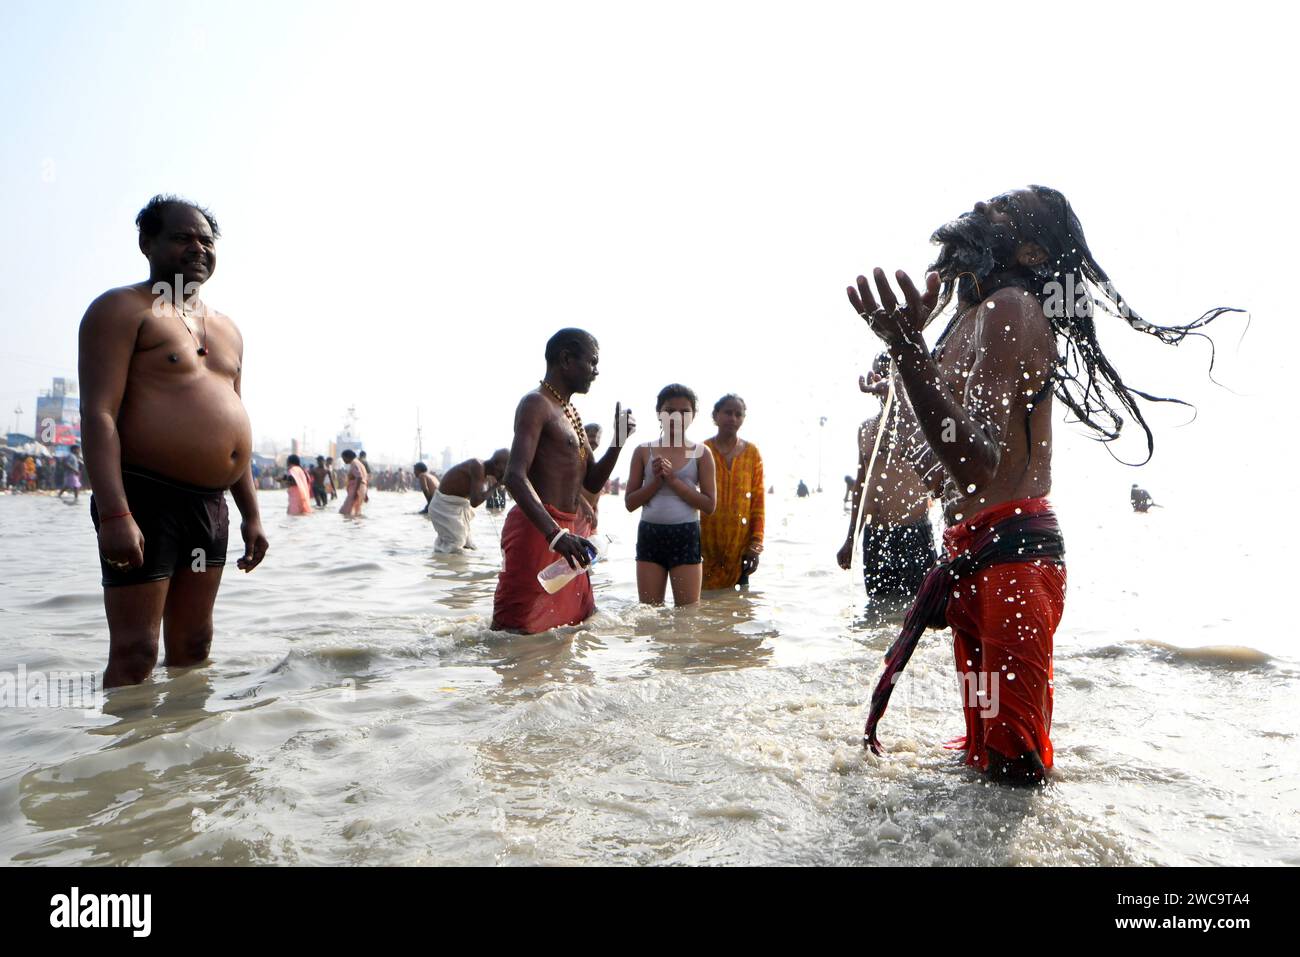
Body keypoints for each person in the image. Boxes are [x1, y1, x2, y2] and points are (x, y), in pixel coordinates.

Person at [848, 185, 1240, 783]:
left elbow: (977, 464)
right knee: (981, 758)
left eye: (1003, 211)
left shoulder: (1013, 306)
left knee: (1013, 769)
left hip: (1012, 565)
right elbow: (932, 470)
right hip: (974, 558)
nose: (982, 209)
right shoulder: (967, 321)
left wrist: (907, 349)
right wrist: (907, 359)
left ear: (1032, 252)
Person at [78, 194, 268, 688]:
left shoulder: (228, 330)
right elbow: (99, 415)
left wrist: (252, 514)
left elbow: (236, 426)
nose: (198, 247)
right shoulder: (121, 309)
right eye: (182, 237)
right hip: (145, 498)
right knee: (136, 651)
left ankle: (187, 761)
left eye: (206, 240)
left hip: (209, 506)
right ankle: (124, 761)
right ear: (148, 243)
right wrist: (116, 514)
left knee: (194, 646)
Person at [492, 328, 635, 633]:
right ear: (566, 359)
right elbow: (514, 477)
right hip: (540, 532)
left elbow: (593, 482)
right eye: (592, 362)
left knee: (574, 627)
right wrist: (555, 536)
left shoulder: (570, 413)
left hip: (569, 536)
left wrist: (619, 441)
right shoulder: (536, 404)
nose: (596, 372)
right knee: (518, 631)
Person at [837, 355, 936, 604]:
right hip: (876, 535)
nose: (885, 381)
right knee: (875, 610)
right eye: (879, 374)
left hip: (914, 532)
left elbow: (941, 480)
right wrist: (851, 539)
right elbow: (861, 487)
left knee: (918, 609)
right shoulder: (866, 429)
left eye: (893, 375)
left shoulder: (922, 427)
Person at [625, 384, 717, 606]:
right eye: (669, 411)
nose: (676, 416)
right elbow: (630, 503)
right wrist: (656, 481)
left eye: (684, 411)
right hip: (650, 534)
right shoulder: (643, 451)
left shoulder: (701, 453)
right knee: (649, 613)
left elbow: (709, 505)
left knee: (687, 616)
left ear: (693, 416)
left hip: (685, 534)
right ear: (659, 414)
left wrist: (674, 480)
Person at [700, 394, 764, 590]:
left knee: (737, 607)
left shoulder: (752, 453)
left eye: (739, 414)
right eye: (728, 413)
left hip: (740, 549)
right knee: (702, 609)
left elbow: (758, 502)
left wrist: (756, 544)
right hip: (704, 546)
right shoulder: (702, 450)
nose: (733, 418)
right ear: (716, 415)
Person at [428, 449, 508, 552]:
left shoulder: (486, 474)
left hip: (457, 508)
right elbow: (475, 502)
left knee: (468, 546)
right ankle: (441, 565)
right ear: (496, 463)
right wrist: (496, 486)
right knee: (455, 545)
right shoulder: (478, 466)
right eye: (504, 468)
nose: (505, 472)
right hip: (443, 507)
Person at [578, 423, 604, 528]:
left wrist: (596, 511)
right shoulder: (580, 454)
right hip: (576, 511)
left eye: (598, 437)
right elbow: (568, 484)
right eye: (592, 436)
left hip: (586, 516)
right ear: (583, 436)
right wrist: (584, 504)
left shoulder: (591, 460)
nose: (595, 440)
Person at [338, 449, 367, 517]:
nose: (343, 460)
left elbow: (359, 477)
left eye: (343, 458)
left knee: (345, 511)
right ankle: (355, 526)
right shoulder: (359, 463)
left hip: (357, 490)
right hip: (362, 489)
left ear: (348, 457)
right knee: (356, 512)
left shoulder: (354, 463)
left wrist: (355, 492)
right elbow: (364, 479)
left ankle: (349, 527)